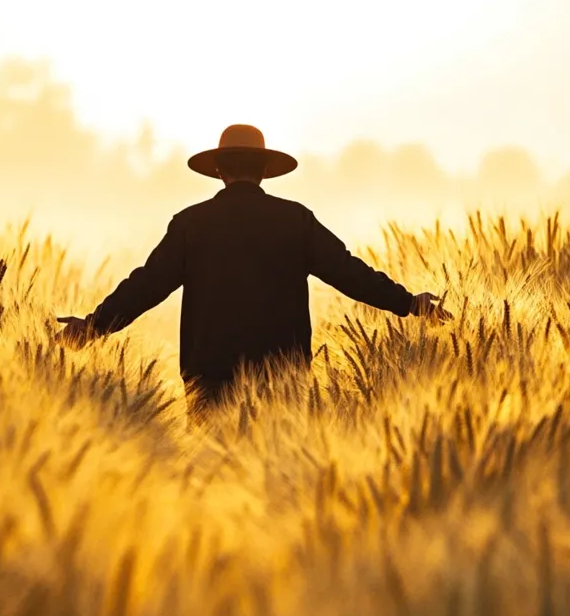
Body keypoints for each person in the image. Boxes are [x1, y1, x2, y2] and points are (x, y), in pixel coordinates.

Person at [57, 125, 452, 416]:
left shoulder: (192, 224)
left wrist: (92, 327)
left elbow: (146, 286)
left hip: (208, 378)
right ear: (264, 171)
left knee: (211, 479)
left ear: (219, 171)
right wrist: (409, 303)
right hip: (284, 377)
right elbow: (350, 273)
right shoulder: (295, 221)